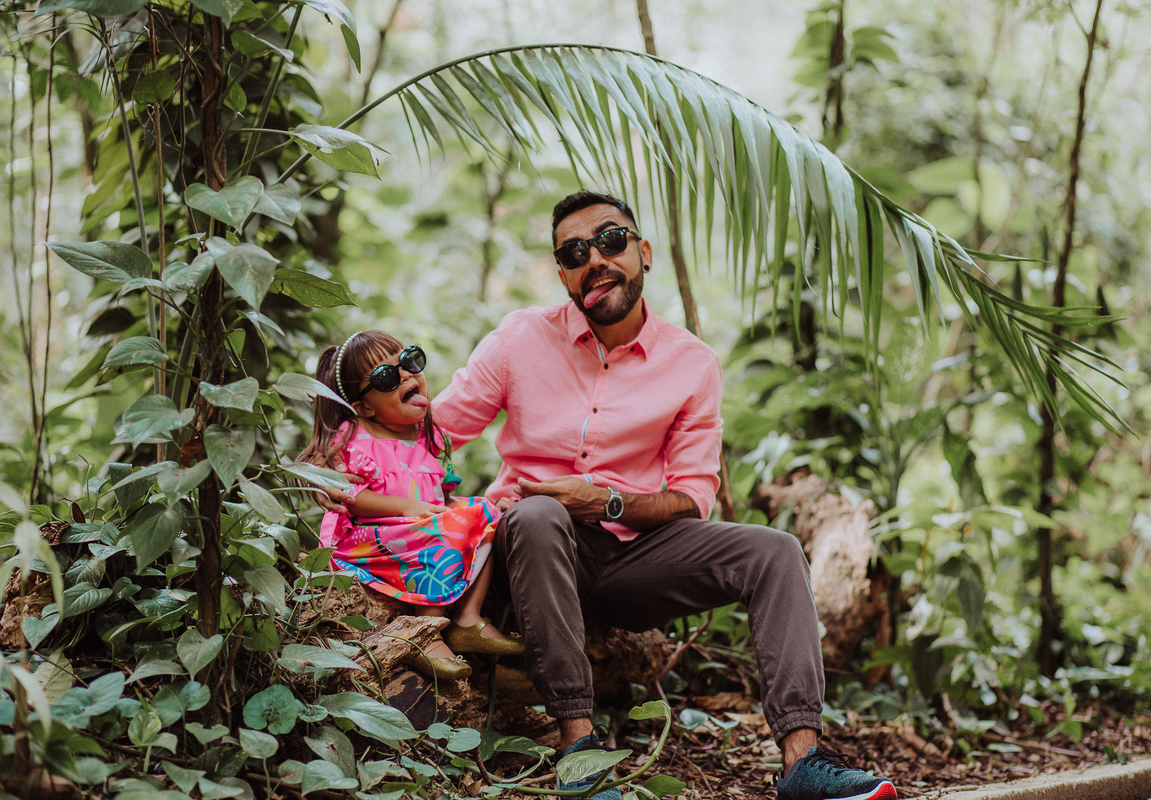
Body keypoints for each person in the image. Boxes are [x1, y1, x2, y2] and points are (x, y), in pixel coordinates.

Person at [431, 191, 898, 800]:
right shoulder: (521, 338)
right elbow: (434, 431)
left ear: (643, 252)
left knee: (776, 550)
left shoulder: (692, 363)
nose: (595, 258)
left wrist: (602, 502)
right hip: (532, 551)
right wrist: (353, 440)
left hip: (630, 555)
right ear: (564, 273)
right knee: (541, 512)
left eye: (611, 240)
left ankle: (802, 763)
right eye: (575, 252)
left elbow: (692, 497)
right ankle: (579, 749)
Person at [299, 330, 524, 682]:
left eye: (408, 361)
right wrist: (407, 508)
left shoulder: (429, 439)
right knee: (440, 528)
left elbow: (438, 499)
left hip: (418, 532)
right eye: (386, 377)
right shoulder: (356, 437)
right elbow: (353, 498)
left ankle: (467, 618)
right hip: (370, 541)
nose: (405, 374)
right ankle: (425, 631)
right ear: (365, 406)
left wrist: (477, 507)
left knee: (484, 512)